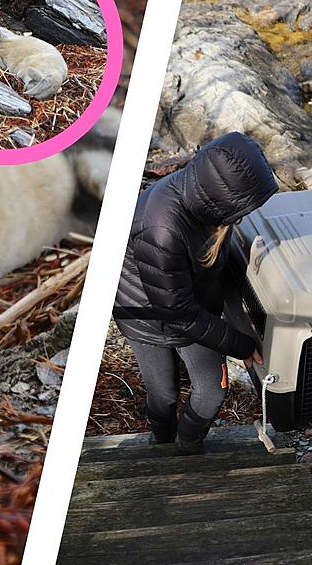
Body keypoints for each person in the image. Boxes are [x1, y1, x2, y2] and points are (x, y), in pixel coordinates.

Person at [112, 132, 278, 454]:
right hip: (145, 315)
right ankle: (160, 443)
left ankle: (186, 446)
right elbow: (179, 314)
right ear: (222, 200)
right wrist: (240, 343)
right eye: (240, 209)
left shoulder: (202, 197)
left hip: (185, 302)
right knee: (164, 394)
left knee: (212, 390)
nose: (243, 217)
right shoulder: (162, 230)